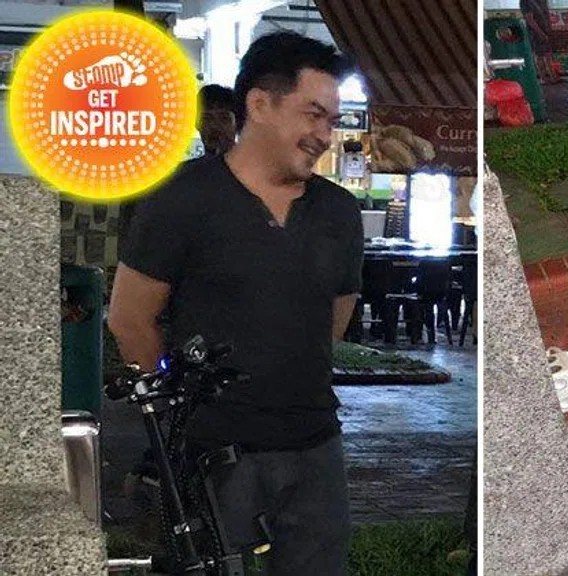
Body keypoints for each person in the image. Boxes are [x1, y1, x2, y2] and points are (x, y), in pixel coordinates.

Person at [107, 31, 362, 575]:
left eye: (331, 120)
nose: (324, 135)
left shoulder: (339, 213)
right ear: (260, 104)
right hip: (212, 453)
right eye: (313, 115)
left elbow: (333, 319)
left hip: (315, 447)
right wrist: (177, 410)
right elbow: (130, 318)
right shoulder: (183, 199)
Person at [520, 0, 562, 84]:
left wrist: (547, 31)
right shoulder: (526, 1)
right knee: (539, 55)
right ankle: (543, 78)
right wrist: (540, 33)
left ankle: (553, 76)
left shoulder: (539, 2)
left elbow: (544, 16)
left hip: (543, 30)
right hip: (535, 33)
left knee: (547, 54)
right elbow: (529, 19)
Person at [195, 84, 236, 158]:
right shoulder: (189, 166)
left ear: (238, 124)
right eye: (207, 118)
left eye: (224, 118)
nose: (215, 125)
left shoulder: (255, 163)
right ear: (196, 124)